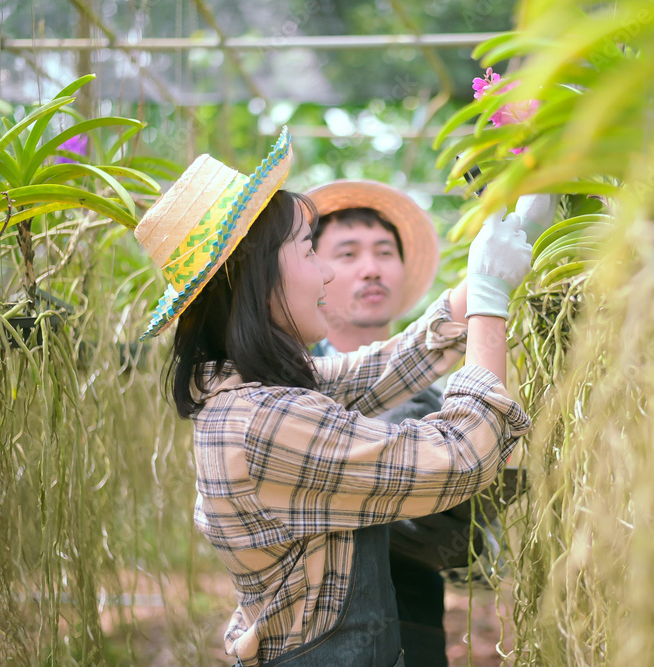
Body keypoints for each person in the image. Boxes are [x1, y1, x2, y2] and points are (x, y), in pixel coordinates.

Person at [130, 127, 534, 667]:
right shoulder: (264, 421)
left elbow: (378, 369)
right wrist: (490, 298)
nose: (326, 272)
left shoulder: (246, 393)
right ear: (250, 272)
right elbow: (461, 456)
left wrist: (510, 242)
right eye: (308, 249)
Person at [305, 180, 461, 666]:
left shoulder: (439, 397)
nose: (371, 269)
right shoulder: (285, 395)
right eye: (347, 253)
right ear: (311, 271)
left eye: (384, 252)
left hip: (414, 629)